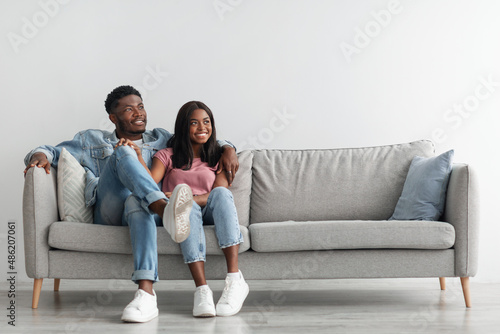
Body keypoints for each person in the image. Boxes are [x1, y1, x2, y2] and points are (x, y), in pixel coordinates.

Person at [23, 86, 239, 323]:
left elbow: (199, 135)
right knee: (123, 151)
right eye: (129, 109)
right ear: (113, 118)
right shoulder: (90, 140)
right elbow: (51, 150)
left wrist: (229, 148)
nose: (138, 113)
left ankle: (145, 294)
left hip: (139, 207)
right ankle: (161, 206)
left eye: (141, 107)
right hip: (110, 209)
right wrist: (40, 156)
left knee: (137, 199)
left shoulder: (162, 139)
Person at [119, 101, 248, 318]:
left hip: (209, 208)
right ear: (183, 127)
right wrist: (140, 157)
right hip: (180, 214)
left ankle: (235, 279)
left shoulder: (219, 156)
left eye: (206, 122)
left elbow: (218, 193)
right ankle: (202, 290)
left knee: (222, 194)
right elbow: (149, 184)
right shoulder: (166, 155)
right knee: (184, 210)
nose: (202, 128)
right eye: (194, 123)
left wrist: (188, 199)